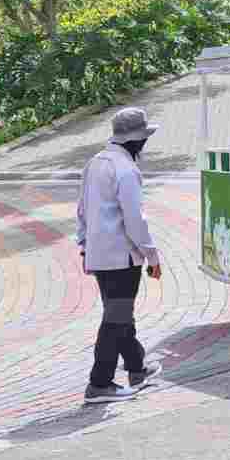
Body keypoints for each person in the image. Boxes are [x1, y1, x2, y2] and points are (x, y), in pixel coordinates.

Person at [76, 107, 165, 404]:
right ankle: (99, 383)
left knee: (119, 313)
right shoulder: (126, 170)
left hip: (99, 256)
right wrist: (152, 256)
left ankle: (138, 369)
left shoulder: (95, 163)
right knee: (116, 318)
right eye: (144, 139)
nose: (145, 145)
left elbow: (82, 210)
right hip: (122, 258)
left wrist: (84, 245)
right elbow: (135, 220)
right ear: (136, 140)